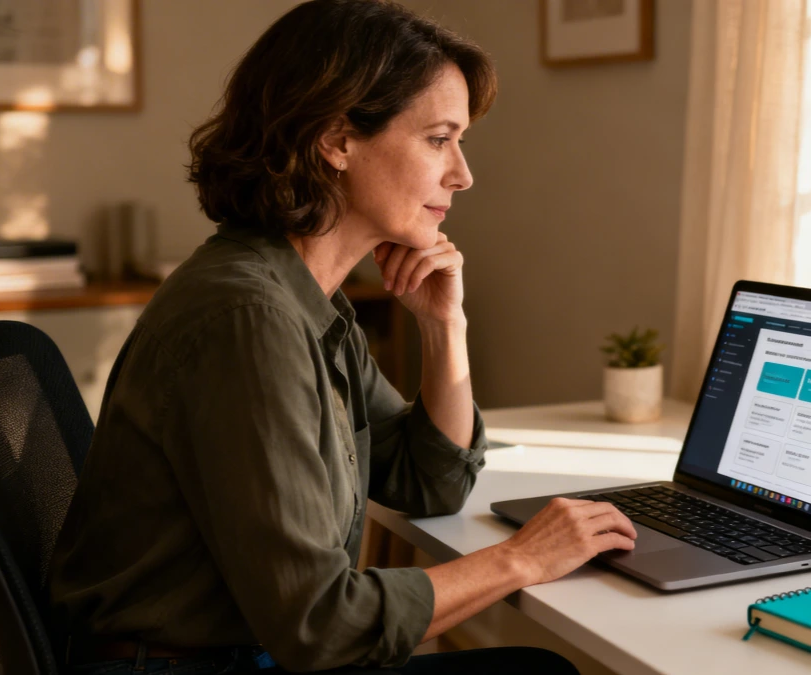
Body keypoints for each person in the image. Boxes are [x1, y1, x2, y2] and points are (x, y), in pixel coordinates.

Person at [46, 1, 638, 673]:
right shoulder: (250, 318)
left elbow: (428, 482)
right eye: (439, 139)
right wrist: (522, 557)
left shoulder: (303, 296)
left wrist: (443, 326)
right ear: (336, 140)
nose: (463, 174)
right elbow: (321, 625)